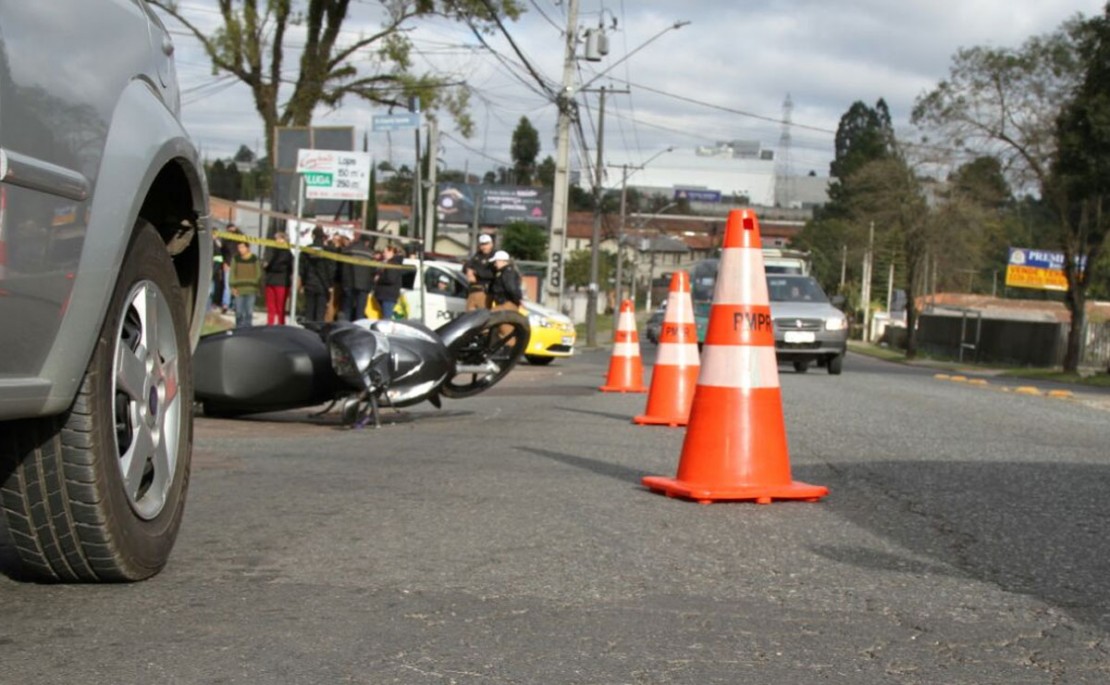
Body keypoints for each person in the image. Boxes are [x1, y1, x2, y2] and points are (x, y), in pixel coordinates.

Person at [299, 225, 335, 323]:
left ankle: (307, 334)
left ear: (313, 236)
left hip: (309, 284)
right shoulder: (328, 251)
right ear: (323, 237)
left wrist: (302, 283)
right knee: (320, 313)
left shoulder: (306, 250)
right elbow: (331, 269)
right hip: (323, 285)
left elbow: (301, 268)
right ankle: (317, 334)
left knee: (309, 312)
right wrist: (330, 285)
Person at [229, 240, 262, 328]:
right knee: (239, 312)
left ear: (247, 248)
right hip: (239, 289)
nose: (240, 249)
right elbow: (232, 273)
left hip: (251, 289)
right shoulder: (235, 258)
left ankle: (248, 329)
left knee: (249, 311)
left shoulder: (254, 258)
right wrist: (232, 287)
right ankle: (238, 329)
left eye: (242, 247)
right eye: (239, 247)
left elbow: (258, 273)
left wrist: (256, 285)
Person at [262, 232, 293, 325]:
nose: (277, 241)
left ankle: (281, 326)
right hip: (270, 281)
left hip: (281, 283)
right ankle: (270, 325)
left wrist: (268, 266)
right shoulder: (273, 251)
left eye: (279, 239)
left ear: (285, 240)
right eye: (276, 239)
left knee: (280, 308)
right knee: (271, 308)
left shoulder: (287, 254)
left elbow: (281, 266)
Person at [344, 235, 378, 320]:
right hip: (364, 286)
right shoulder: (370, 253)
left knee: (347, 309)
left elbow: (344, 267)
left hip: (349, 283)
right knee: (360, 312)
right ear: (367, 242)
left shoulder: (349, 249)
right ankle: (358, 330)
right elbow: (373, 270)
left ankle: (345, 328)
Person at [372, 243, 405, 320]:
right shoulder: (389, 262)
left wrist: (378, 278)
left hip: (388, 295)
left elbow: (390, 278)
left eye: (385, 252)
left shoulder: (393, 263)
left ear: (391, 252)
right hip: (386, 295)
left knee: (386, 318)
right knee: (385, 317)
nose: (383, 254)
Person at [464, 233, 495, 311]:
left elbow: (492, 274)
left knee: (482, 316)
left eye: (486, 244)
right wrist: (469, 271)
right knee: (469, 316)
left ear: (491, 244)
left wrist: (476, 272)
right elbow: (467, 265)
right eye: (482, 244)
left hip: (485, 292)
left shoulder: (494, 256)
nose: (484, 247)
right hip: (473, 290)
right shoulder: (478, 255)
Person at [219, 223, 243, 313]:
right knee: (227, 286)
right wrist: (225, 263)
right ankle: (225, 304)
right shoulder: (225, 239)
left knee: (236, 286)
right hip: (228, 264)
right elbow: (223, 252)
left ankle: (236, 305)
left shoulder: (240, 238)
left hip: (238, 264)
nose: (231, 230)